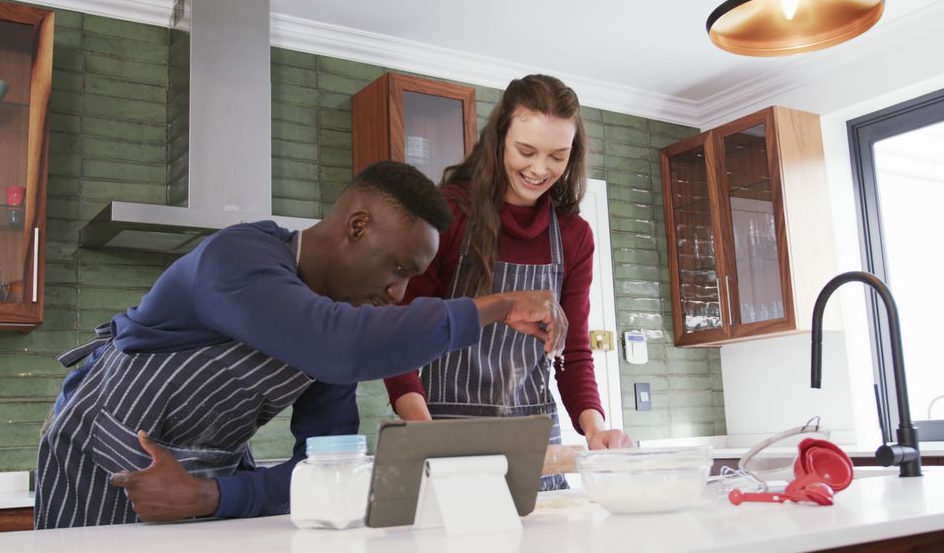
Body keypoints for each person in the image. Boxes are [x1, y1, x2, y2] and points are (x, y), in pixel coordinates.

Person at [35, 160, 567, 529]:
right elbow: (341, 347)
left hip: (199, 475)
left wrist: (211, 495)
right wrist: (495, 307)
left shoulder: (337, 328)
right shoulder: (238, 258)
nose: (398, 294)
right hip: (96, 457)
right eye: (398, 269)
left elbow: (323, 466)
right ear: (358, 226)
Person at [384, 75, 632, 489]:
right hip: (444, 439)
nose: (540, 169)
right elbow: (401, 335)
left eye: (558, 156)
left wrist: (595, 428)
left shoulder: (573, 236)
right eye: (526, 150)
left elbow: (571, 350)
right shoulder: (447, 215)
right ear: (499, 140)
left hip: (536, 446)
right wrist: (424, 432)